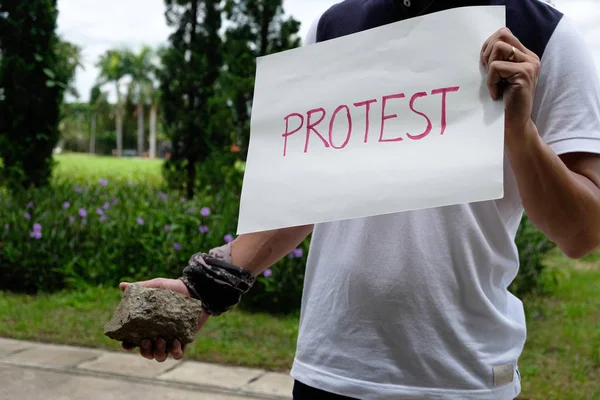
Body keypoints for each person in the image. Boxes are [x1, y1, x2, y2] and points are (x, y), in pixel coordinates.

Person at [120, 0, 600, 399]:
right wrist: (207, 286)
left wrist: (521, 133)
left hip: (462, 379)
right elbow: (311, 193)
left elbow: (582, 233)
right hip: (330, 371)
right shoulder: (335, 28)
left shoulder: (543, 34)